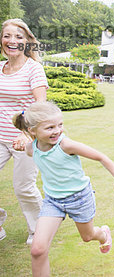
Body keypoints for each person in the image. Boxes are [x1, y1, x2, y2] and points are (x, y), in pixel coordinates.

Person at [13, 101, 114, 277]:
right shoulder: (31, 148)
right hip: (53, 202)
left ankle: (103, 234)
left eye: (60, 125)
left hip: (79, 198)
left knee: (87, 237)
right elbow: (26, 146)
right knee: (37, 250)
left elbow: (101, 157)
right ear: (33, 130)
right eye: (50, 127)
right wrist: (21, 142)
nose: (57, 131)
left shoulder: (66, 145)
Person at [0, 18, 46, 245]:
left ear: (27, 42)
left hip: (24, 140)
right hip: (0, 138)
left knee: (24, 187)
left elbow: (40, 106)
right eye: (7, 36)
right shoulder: (0, 67)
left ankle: (39, 231)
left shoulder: (34, 69)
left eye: (18, 37)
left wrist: (26, 134)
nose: (12, 41)